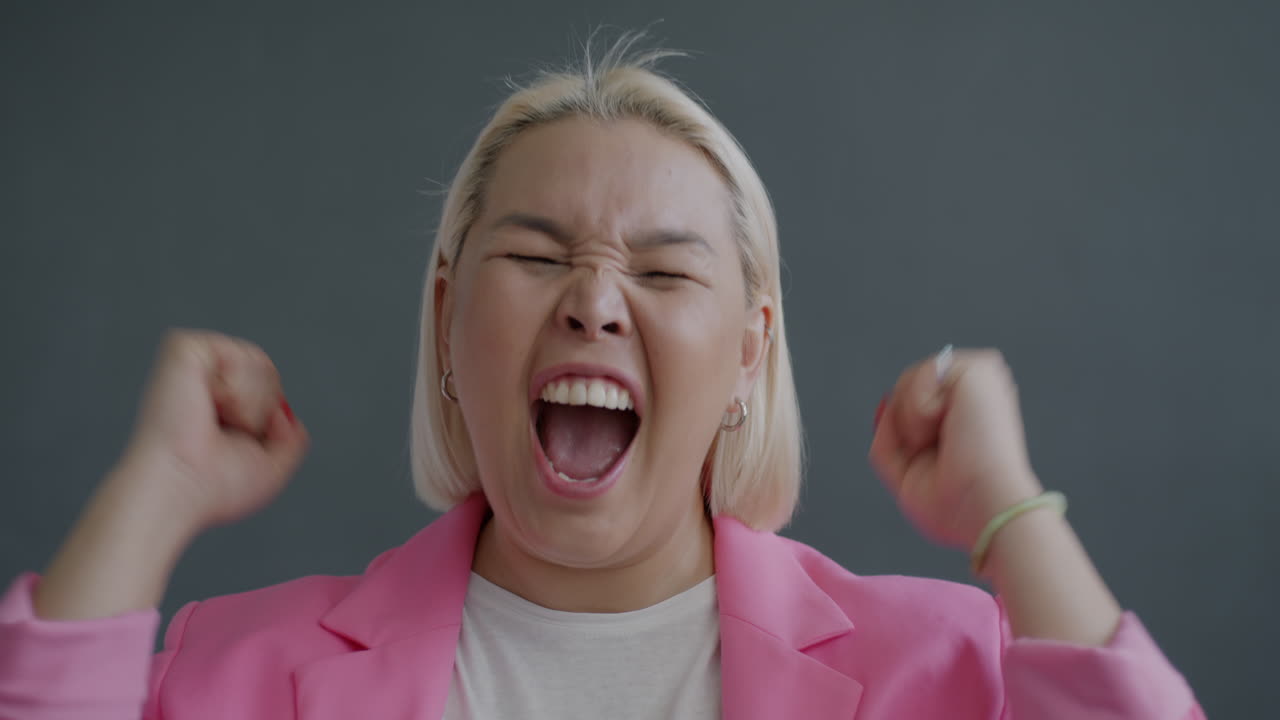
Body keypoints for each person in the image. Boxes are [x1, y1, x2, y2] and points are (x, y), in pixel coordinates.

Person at [0, 36, 1204, 720]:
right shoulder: (236, 674)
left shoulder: (944, 667)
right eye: (532, 256)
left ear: (746, 356)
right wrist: (154, 491)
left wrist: (1007, 517)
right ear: (445, 326)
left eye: (664, 272)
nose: (591, 296)